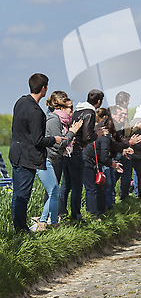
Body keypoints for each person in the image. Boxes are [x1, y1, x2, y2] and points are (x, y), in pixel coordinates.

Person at [9, 73, 63, 232]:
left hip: (16, 153)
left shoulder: (21, 101)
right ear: (44, 88)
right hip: (27, 157)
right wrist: (54, 139)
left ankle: (18, 227)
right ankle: (21, 230)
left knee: (17, 195)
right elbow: (38, 140)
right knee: (22, 196)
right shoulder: (36, 112)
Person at [36, 91, 83, 230]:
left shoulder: (62, 121)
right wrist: (72, 132)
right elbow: (59, 143)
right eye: (70, 108)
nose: (72, 111)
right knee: (53, 191)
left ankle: (49, 222)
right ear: (62, 108)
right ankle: (47, 222)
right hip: (46, 160)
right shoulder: (54, 120)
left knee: (54, 191)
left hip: (53, 159)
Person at [59, 89, 104, 222]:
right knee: (77, 186)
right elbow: (87, 137)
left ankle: (61, 212)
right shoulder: (90, 112)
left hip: (68, 150)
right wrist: (98, 134)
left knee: (66, 184)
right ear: (99, 102)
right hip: (77, 150)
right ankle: (76, 216)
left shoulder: (78, 110)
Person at [82, 109, 123, 218]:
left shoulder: (104, 136)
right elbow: (104, 157)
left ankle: (100, 211)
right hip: (88, 162)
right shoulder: (105, 138)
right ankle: (94, 214)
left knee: (99, 187)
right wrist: (112, 164)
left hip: (92, 161)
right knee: (92, 188)